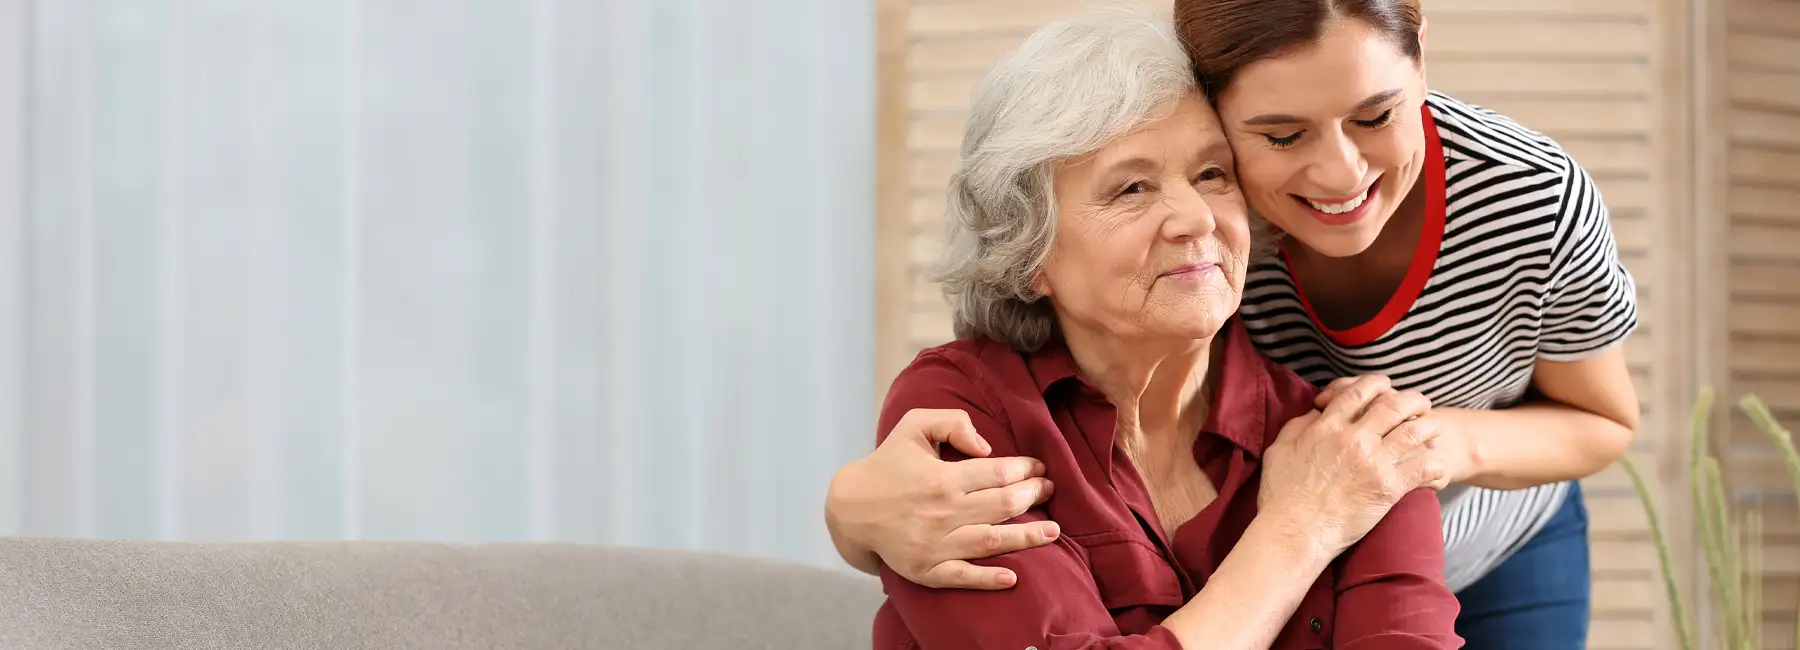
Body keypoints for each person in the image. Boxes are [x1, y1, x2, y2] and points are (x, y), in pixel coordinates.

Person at [828, 1, 1641, 649]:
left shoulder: (1351, 431)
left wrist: (1420, 451)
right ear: (1028, 249)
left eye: (1208, 174)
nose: (1339, 174)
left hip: (1479, 504)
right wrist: (848, 510)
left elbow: (1602, 419)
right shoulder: (974, 418)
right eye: (1131, 190)